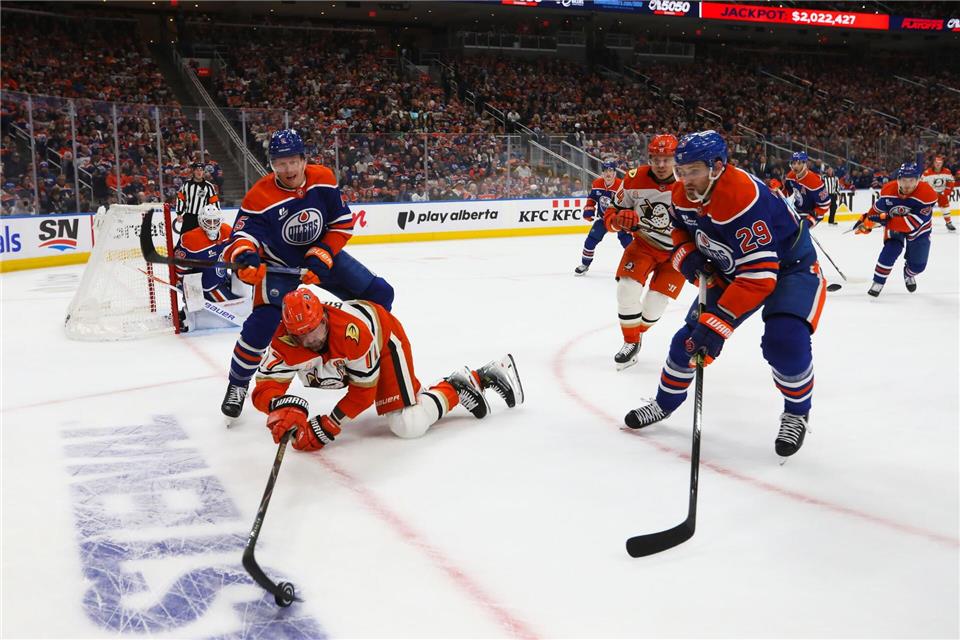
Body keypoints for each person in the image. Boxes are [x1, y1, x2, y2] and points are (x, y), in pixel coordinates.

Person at [624, 131, 826, 458]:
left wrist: (719, 324)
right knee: (687, 341)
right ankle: (664, 403)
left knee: (785, 340)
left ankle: (796, 412)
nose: (685, 179)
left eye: (693, 171)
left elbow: (759, 278)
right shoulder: (682, 193)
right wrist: (687, 256)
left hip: (791, 269)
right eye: (681, 170)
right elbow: (678, 229)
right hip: (733, 269)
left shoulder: (741, 198)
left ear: (717, 167)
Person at [220, 129, 395, 422]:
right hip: (279, 266)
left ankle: (366, 359)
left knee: (380, 294)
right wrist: (246, 256)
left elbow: (341, 223)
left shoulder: (323, 178)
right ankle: (237, 384)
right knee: (261, 325)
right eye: (279, 163)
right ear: (272, 164)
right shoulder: (259, 196)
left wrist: (323, 254)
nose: (287, 169)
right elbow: (242, 236)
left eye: (292, 161)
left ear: (303, 160)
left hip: (320, 259)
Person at [253, 288, 524, 450]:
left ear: (324, 316)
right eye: (302, 336)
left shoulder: (352, 333)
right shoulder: (284, 341)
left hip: (383, 341)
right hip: (349, 361)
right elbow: (264, 389)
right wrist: (279, 404)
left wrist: (330, 424)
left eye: (315, 330)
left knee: (408, 424)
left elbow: (362, 394)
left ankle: (462, 382)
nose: (311, 340)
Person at [602, 134, 686, 370]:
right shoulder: (633, 178)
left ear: (675, 159)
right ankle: (630, 342)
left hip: (678, 253)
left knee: (653, 307)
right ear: (649, 157)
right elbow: (609, 218)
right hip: (643, 244)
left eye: (666, 159)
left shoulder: (689, 181)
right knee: (627, 290)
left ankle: (636, 334)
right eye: (656, 159)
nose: (661, 165)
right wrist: (619, 220)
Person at [855, 162, 937, 297]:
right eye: (904, 180)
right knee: (891, 250)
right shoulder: (888, 190)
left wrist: (885, 220)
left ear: (918, 180)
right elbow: (877, 209)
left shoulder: (927, 194)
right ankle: (878, 282)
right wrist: (866, 221)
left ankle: (908, 273)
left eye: (911, 180)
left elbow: (911, 224)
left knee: (918, 266)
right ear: (898, 180)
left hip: (920, 229)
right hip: (893, 225)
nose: (907, 185)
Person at [174, 205, 240, 303]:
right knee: (234, 305)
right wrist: (183, 283)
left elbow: (236, 250)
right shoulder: (190, 239)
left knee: (245, 299)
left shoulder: (227, 231)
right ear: (201, 221)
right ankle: (189, 313)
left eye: (215, 221)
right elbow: (180, 266)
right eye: (208, 221)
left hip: (223, 278)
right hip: (207, 287)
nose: (212, 225)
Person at [574, 160, 630, 276]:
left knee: (627, 242)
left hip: (618, 220)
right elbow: (592, 198)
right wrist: (589, 207)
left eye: (611, 171)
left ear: (615, 173)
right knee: (590, 240)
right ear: (602, 173)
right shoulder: (597, 183)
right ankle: (585, 264)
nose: (608, 174)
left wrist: (626, 218)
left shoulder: (621, 186)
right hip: (603, 219)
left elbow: (628, 203)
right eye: (605, 171)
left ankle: (632, 263)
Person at [784, 151, 829, 227]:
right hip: (798, 211)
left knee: (800, 231)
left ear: (805, 164)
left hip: (813, 213)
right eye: (793, 163)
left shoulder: (814, 181)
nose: (795, 166)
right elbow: (787, 192)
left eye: (799, 163)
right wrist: (779, 187)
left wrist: (812, 216)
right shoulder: (790, 176)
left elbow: (825, 204)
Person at [175, 161, 220, 233]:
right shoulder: (186, 184)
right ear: (193, 171)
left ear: (203, 172)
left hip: (203, 217)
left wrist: (216, 215)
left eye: (201, 170)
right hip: (189, 217)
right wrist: (179, 214)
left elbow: (214, 201)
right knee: (184, 238)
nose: (199, 172)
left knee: (202, 241)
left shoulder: (209, 186)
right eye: (197, 170)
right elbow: (181, 199)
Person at [921, 156, 956, 232]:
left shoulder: (947, 171)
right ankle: (923, 224)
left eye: (940, 163)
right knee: (926, 209)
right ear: (933, 163)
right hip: (930, 194)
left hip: (942, 193)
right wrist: (928, 192)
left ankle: (948, 222)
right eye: (936, 163)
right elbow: (921, 184)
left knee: (945, 208)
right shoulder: (927, 172)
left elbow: (951, 182)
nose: (938, 164)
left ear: (942, 163)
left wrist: (946, 192)